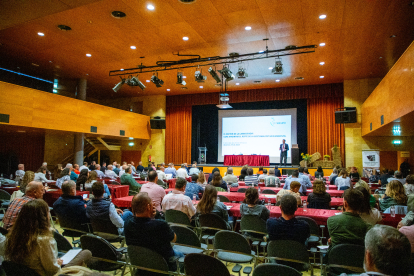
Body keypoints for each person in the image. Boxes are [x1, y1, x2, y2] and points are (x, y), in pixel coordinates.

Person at [5, 199, 92, 276]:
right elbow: (53, 271)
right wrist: (57, 263)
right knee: (86, 253)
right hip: (48, 273)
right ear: (44, 217)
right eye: (48, 212)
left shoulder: (13, 235)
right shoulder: (44, 240)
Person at [125, 193, 184, 272]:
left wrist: (152, 218)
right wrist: (158, 217)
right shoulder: (161, 225)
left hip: (141, 264)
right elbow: (174, 239)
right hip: (164, 265)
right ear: (149, 207)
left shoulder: (127, 223)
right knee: (181, 256)